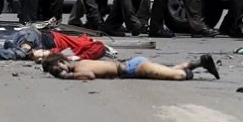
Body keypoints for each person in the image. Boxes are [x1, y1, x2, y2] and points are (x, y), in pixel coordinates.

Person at [42, 52, 220, 81]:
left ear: (61, 62)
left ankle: (189, 72)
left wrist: (67, 76)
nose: (59, 73)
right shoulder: (80, 61)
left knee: (177, 75)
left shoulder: (79, 68)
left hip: (133, 68)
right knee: (171, 70)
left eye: (57, 70)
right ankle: (200, 62)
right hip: (132, 64)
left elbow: (90, 76)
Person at [0, 25, 106, 61]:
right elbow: (98, 49)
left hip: (35, 39)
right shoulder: (93, 45)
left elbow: (64, 52)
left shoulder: (77, 46)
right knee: (21, 53)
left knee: (21, 53)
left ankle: (6, 47)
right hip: (36, 37)